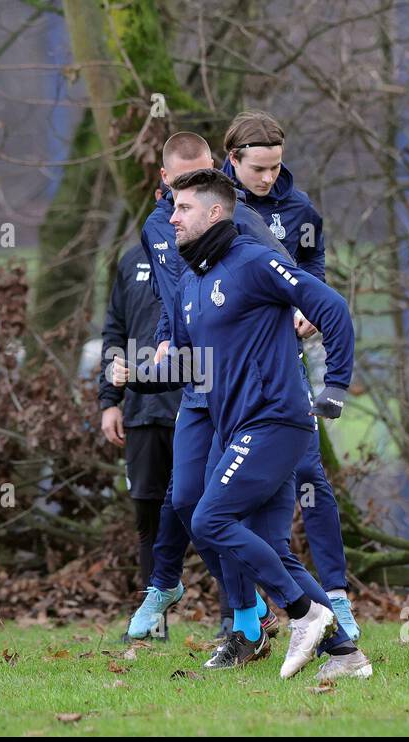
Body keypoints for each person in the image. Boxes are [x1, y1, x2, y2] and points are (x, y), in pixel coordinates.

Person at [117, 168, 372, 680]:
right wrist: (139, 376)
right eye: (171, 208)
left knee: (211, 519)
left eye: (183, 208)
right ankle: (346, 656)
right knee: (262, 542)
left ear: (215, 212)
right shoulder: (192, 283)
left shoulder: (257, 262)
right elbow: (191, 364)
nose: (172, 217)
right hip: (233, 429)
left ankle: (303, 614)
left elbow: (332, 308)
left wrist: (336, 388)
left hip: (277, 421)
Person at [122, 131, 294, 646]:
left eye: (201, 179)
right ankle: (239, 605)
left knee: (228, 509)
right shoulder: (160, 225)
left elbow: (286, 275)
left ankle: (277, 614)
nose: (182, 204)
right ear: (165, 182)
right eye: (179, 188)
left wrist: (305, 310)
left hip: (245, 383)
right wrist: (163, 343)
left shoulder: (241, 222)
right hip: (195, 378)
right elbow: (168, 295)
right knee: (185, 502)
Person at [222, 110, 358, 640]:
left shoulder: (299, 209)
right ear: (232, 161)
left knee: (309, 475)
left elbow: (313, 265)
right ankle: (242, 617)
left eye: (276, 167)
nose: (269, 178)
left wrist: (309, 307)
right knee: (214, 496)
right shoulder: (213, 208)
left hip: (284, 366)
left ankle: (338, 598)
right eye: (258, 169)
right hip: (222, 372)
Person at [96, 243, 189, 638]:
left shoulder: (209, 253)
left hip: (194, 407)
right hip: (140, 411)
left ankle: (236, 619)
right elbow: (114, 329)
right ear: (161, 186)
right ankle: (155, 623)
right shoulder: (133, 259)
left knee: (209, 515)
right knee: (147, 515)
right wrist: (109, 400)